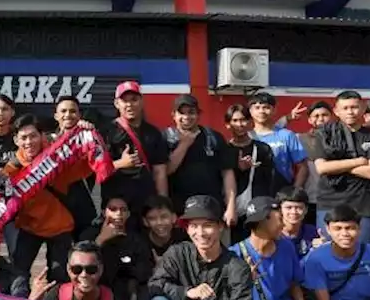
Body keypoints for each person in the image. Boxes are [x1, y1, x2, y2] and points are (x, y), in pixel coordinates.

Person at [3, 116, 96, 283]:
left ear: (42, 136)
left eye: (33, 136)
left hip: (60, 227)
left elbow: (87, 165)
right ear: (16, 140)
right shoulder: (11, 169)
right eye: (23, 138)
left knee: (59, 277)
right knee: (18, 274)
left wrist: (88, 134)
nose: (29, 142)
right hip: (28, 227)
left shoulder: (59, 158)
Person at [312, 91, 370, 245]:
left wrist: (337, 164)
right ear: (336, 111)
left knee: (364, 253)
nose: (350, 112)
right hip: (329, 201)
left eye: (354, 107)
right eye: (345, 108)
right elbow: (322, 168)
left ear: (363, 107)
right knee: (328, 251)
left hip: (363, 204)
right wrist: (358, 161)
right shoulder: (324, 134)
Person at [101, 81, 169, 218]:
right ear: (116, 104)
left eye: (134, 100)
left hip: (146, 203)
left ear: (142, 102)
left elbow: (159, 172)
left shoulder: (154, 133)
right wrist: (121, 163)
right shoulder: (106, 132)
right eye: (124, 101)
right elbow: (96, 170)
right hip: (117, 205)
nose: (129, 105)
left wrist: (163, 204)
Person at [164, 94, 235, 224]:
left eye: (191, 112)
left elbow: (227, 173)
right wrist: (184, 144)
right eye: (181, 113)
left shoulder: (214, 137)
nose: (186, 117)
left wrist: (231, 208)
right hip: (179, 212)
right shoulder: (165, 138)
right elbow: (165, 171)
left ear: (198, 114)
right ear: (173, 115)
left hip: (212, 210)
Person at [88, 195, 154, 300]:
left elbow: (144, 271)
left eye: (123, 210)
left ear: (128, 214)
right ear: (104, 212)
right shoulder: (90, 234)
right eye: (113, 209)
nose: (118, 213)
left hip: (127, 292)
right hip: (96, 288)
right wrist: (100, 240)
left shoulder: (136, 239)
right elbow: (81, 262)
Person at [50, 95, 98, 238]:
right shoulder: (47, 141)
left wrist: (91, 134)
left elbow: (102, 165)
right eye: (63, 111)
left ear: (79, 115)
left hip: (84, 208)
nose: (68, 115)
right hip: (55, 209)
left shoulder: (89, 137)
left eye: (72, 111)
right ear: (56, 116)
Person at [247, 92, 308, 192]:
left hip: (282, 190)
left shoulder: (287, 135)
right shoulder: (247, 137)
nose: (261, 111)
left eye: (266, 107)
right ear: (250, 111)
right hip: (253, 192)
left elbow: (302, 168)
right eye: (257, 108)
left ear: (274, 110)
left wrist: (294, 192)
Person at [225, 104, 276, 221]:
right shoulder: (224, 150)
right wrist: (239, 169)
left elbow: (271, 179)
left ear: (250, 122)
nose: (239, 124)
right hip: (233, 211)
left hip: (259, 210)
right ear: (227, 124)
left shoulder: (263, 149)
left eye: (243, 120)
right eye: (235, 120)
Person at [139, 195, 188, 260]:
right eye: (152, 219)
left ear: (174, 218)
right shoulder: (139, 244)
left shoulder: (185, 239)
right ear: (145, 221)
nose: (159, 223)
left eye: (164, 217)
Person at [277, 186, 321, 258]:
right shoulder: (272, 234)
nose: (294, 212)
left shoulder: (312, 232)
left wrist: (323, 249)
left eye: (299, 208)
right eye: (289, 207)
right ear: (280, 209)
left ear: (306, 210)